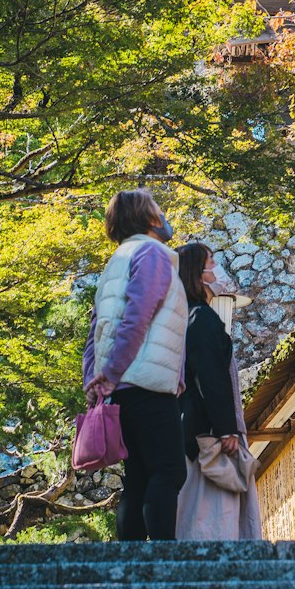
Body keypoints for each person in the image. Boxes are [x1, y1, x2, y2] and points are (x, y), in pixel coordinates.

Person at [83, 188, 188, 541]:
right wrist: (110, 374)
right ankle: (163, 558)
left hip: (122, 389)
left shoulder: (115, 263)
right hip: (145, 381)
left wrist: (95, 382)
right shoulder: (153, 254)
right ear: (149, 218)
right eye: (158, 210)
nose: (164, 217)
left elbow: (94, 331)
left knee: (140, 476)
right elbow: (138, 316)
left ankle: (129, 560)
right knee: (170, 470)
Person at [176, 240, 262, 540]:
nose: (217, 268)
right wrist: (226, 429)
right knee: (214, 508)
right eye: (211, 261)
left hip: (193, 427)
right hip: (210, 433)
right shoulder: (202, 319)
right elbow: (212, 377)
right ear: (199, 274)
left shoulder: (184, 319)